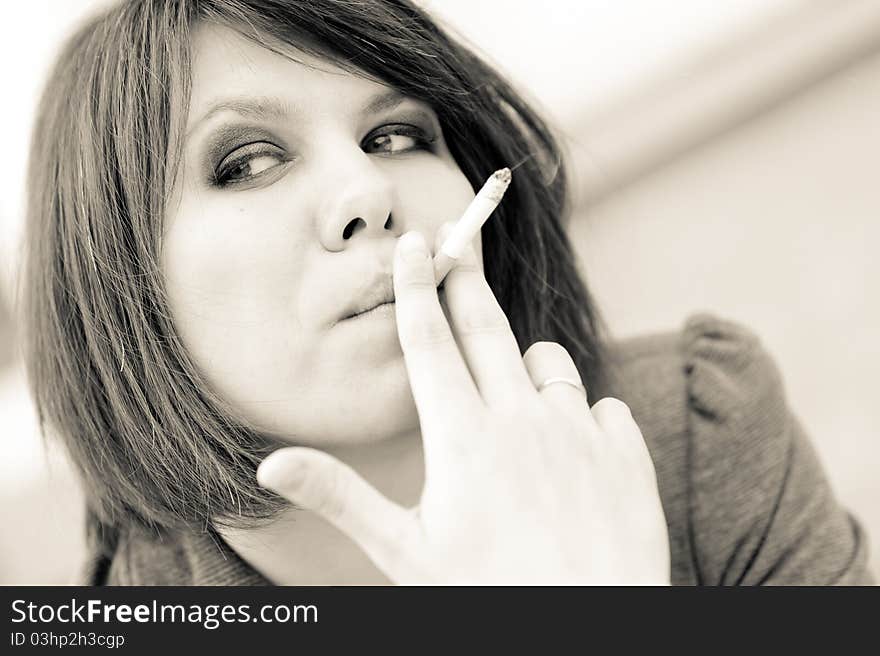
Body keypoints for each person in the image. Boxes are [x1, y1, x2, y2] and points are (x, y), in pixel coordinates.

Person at [21, 0, 873, 585]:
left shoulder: (695, 430)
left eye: (396, 135)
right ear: (116, 292)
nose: (366, 192)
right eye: (247, 162)